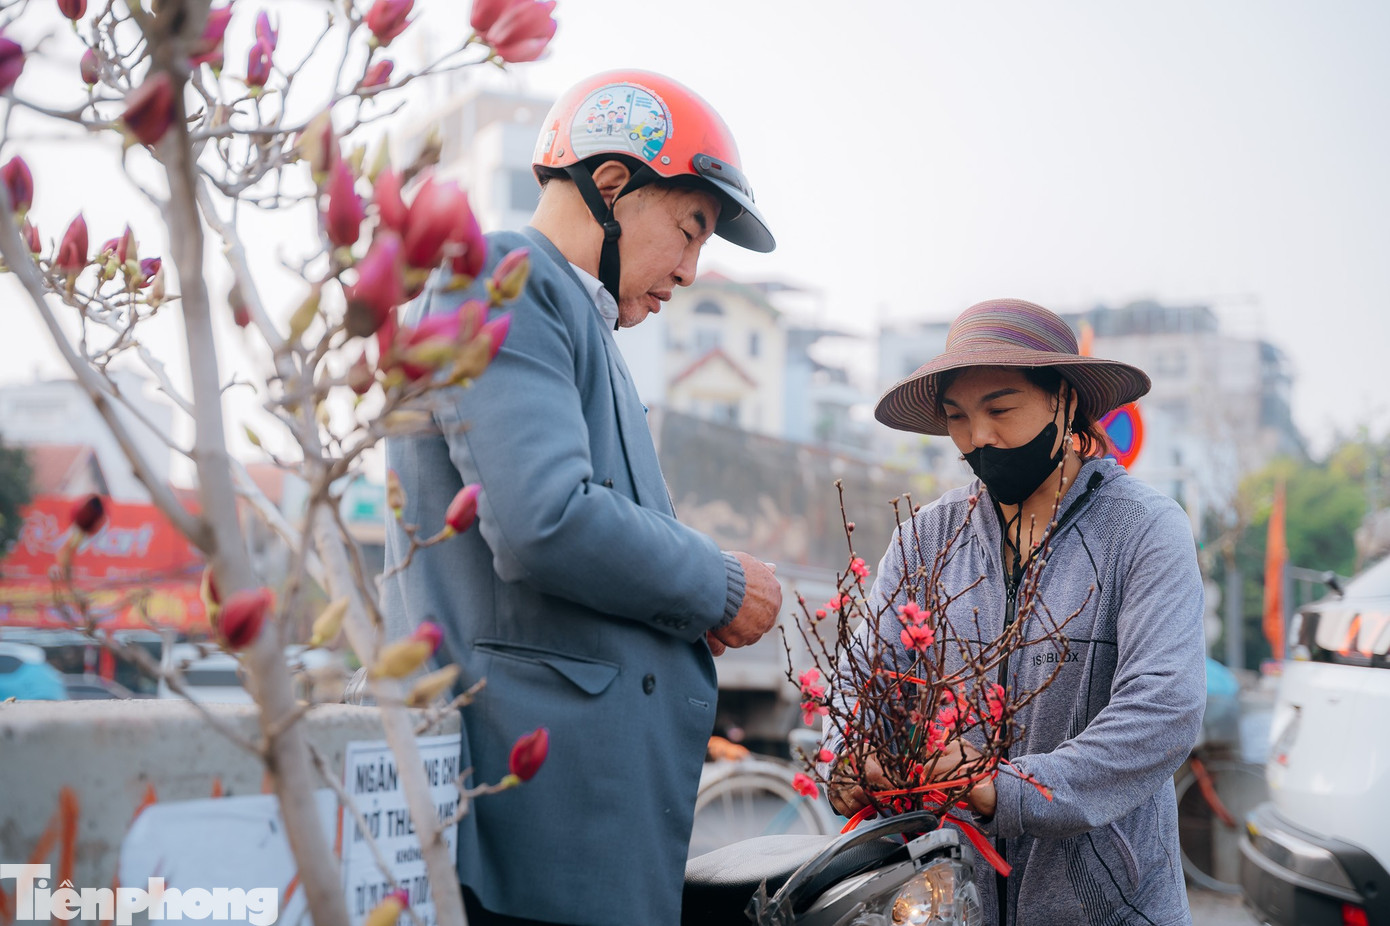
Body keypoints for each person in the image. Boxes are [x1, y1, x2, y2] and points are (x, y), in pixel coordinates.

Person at [380, 70, 782, 926]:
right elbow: (545, 520)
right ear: (610, 182)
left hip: (567, 824)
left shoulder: (570, 314)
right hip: (533, 830)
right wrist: (718, 583)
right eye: (690, 228)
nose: (690, 270)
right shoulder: (506, 277)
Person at [825, 298, 1207, 925]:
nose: (978, 437)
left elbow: (1164, 707)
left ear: (1065, 401)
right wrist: (849, 757)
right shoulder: (925, 540)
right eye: (958, 416)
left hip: (1110, 909)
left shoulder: (1143, 530)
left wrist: (1005, 788)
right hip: (951, 903)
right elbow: (859, 683)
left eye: (1000, 409)